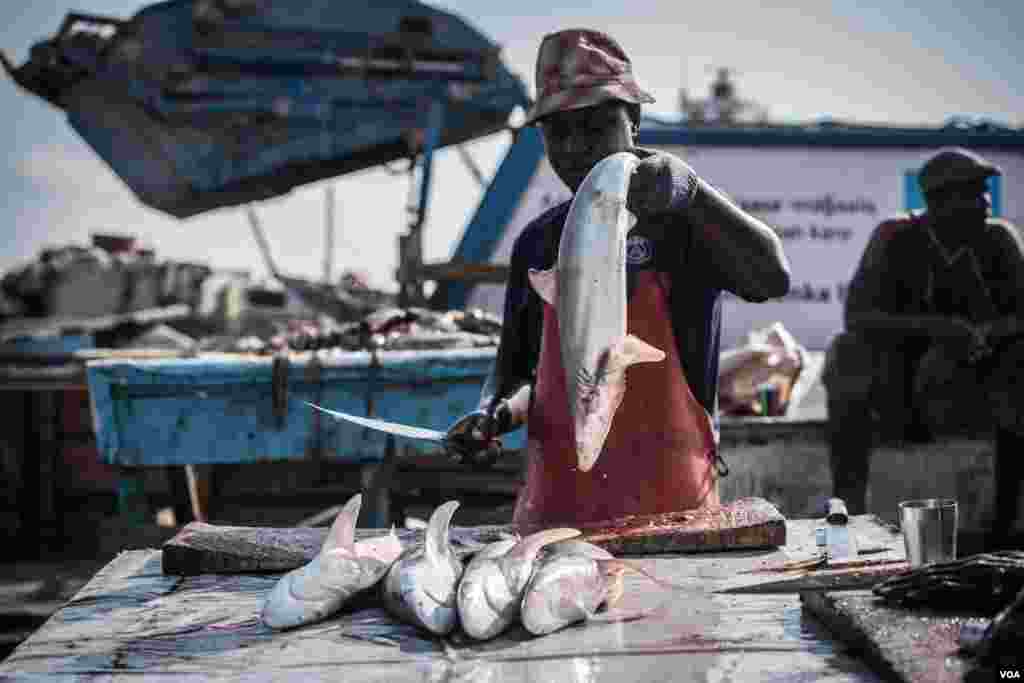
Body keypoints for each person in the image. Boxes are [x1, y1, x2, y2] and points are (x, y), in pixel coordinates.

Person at [446, 28, 791, 525]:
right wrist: (492, 415)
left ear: (634, 123)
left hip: (676, 522)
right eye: (557, 132)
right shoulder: (538, 243)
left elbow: (771, 278)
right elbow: (517, 371)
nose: (576, 146)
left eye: (595, 126)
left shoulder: (686, 228)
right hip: (553, 522)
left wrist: (695, 193)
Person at [824, 147, 1024, 540]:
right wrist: (935, 327)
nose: (985, 202)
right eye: (972, 193)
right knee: (847, 353)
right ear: (938, 202)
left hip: (977, 387)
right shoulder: (895, 236)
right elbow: (858, 318)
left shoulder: (999, 239)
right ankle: (849, 513)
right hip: (904, 391)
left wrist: (987, 334)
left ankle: (1007, 525)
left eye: (983, 191)